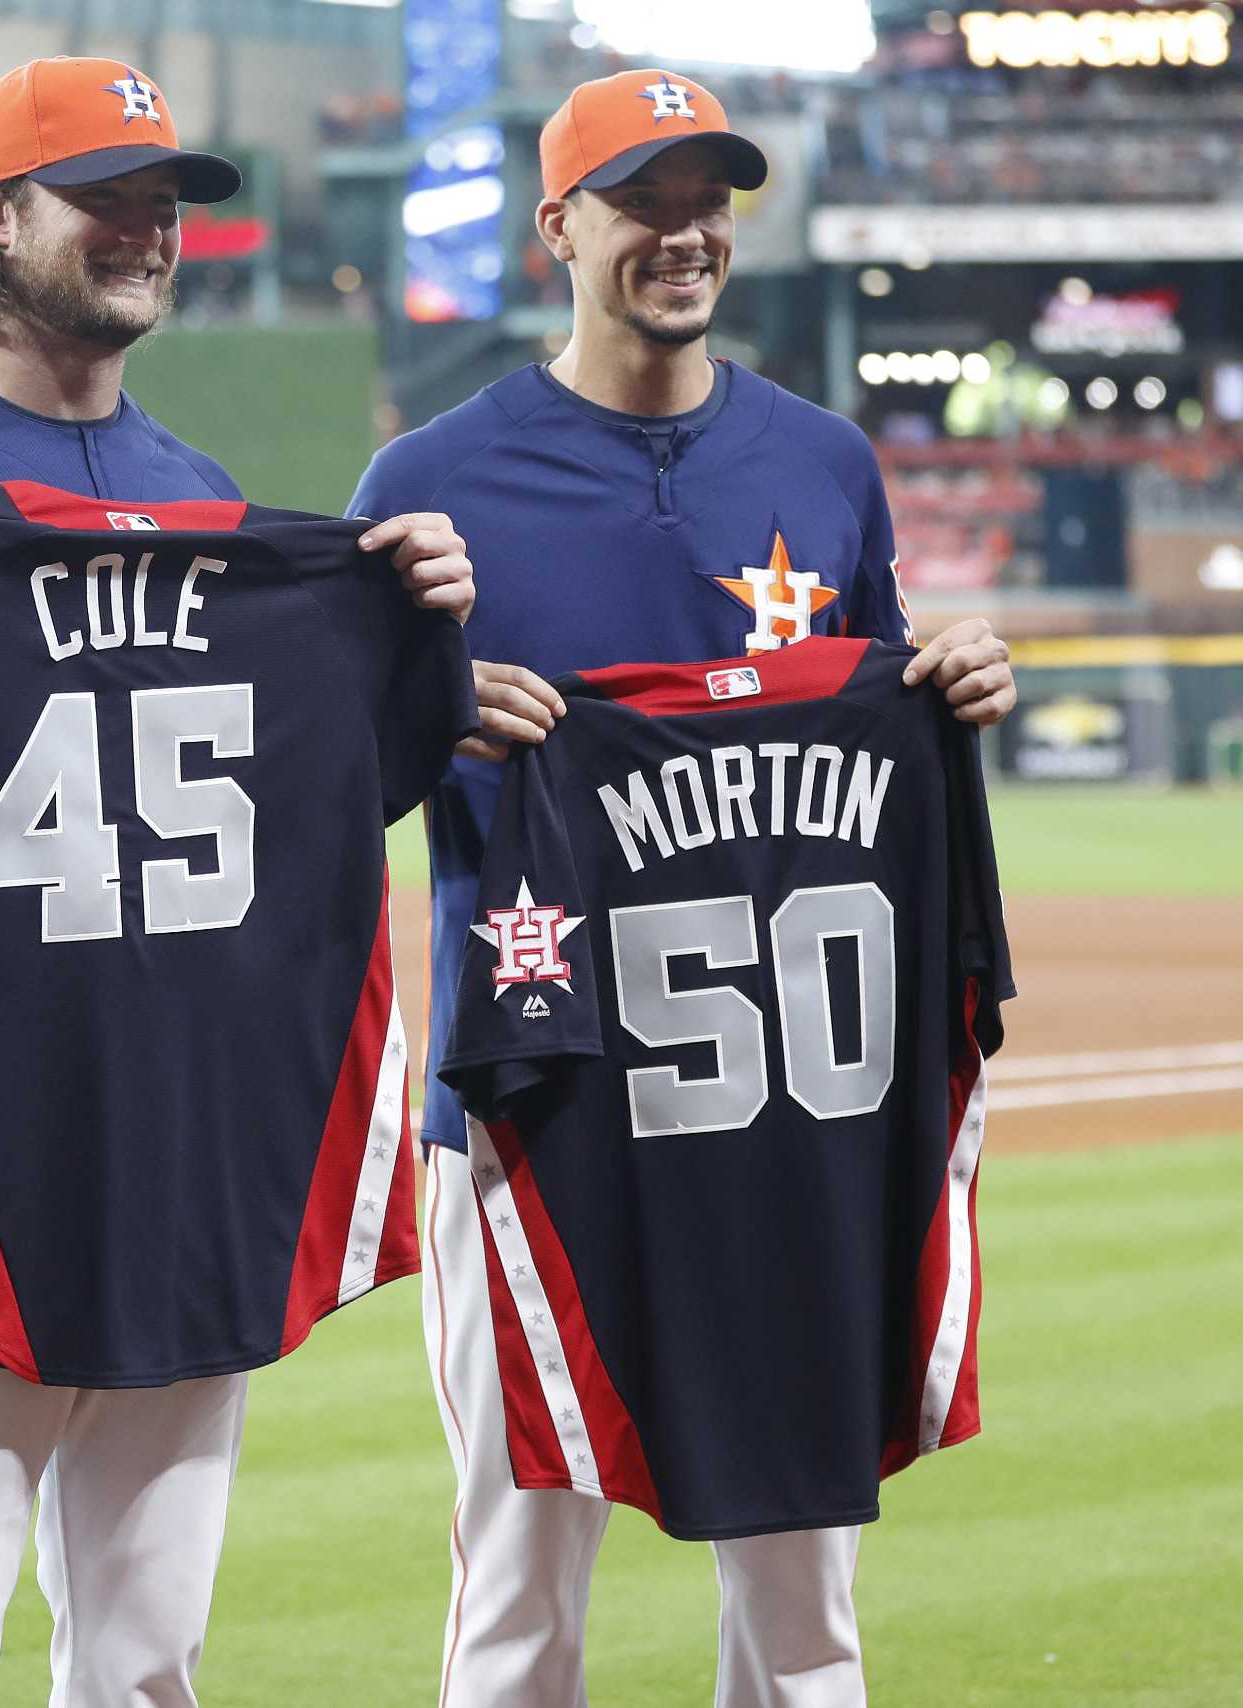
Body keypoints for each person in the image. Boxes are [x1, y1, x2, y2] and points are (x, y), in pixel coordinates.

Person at [0, 55, 473, 1707]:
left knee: (146, 1663)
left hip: (183, 1155)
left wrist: (408, 627)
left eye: (166, 204)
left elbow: (319, 829)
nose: (146, 230)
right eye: (103, 199)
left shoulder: (209, 500)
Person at [349, 68, 1017, 1708]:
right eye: (643, 198)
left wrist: (946, 674)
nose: (684, 231)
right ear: (557, 226)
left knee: (806, 1608)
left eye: (707, 197)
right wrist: (425, 714)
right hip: (536, 1102)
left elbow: (871, 723)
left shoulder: (822, 460)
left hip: (787, 1112)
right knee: (518, 1597)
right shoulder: (431, 483)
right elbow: (334, 796)